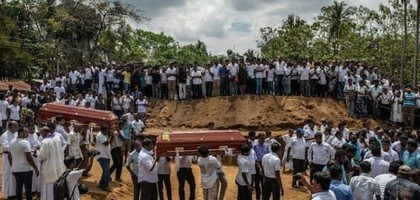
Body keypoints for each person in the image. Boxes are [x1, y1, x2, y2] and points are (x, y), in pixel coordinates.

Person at [9, 126, 39, 200]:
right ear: (21, 133)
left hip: (16, 169)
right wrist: (35, 168)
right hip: (26, 170)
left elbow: (9, 156)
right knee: (28, 189)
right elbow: (29, 157)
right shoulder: (25, 142)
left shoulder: (12, 142)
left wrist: (13, 166)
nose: (27, 133)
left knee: (18, 188)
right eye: (26, 132)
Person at [37, 125, 66, 200]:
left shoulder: (45, 142)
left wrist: (37, 151)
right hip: (57, 166)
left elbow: (42, 156)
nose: (41, 135)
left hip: (49, 168)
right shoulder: (57, 138)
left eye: (41, 133)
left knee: (48, 189)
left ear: (44, 132)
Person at [1, 121, 17, 199]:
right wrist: (16, 146)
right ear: (10, 127)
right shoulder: (4, 136)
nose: (16, 129)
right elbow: (5, 147)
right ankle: (8, 193)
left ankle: (14, 192)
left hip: (16, 157)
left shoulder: (16, 134)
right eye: (15, 127)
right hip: (7, 157)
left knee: (15, 175)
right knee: (8, 174)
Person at [96, 126, 113, 192]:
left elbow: (109, 142)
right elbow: (106, 143)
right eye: (107, 130)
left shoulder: (104, 135)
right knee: (106, 170)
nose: (108, 131)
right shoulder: (100, 135)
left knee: (105, 170)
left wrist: (111, 136)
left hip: (106, 155)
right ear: (103, 130)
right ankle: (105, 186)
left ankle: (101, 183)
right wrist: (111, 136)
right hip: (102, 155)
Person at [253, 133, 269, 199]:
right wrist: (258, 167)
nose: (263, 140)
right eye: (262, 139)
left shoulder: (266, 146)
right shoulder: (255, 146)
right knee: (257, 182)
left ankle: (264, 196)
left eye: (264, 139)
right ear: (258, 138)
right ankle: (258, 196)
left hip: (265, 164)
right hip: (257, 163)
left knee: (264, 181)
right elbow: (254, 157)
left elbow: (268, 155)